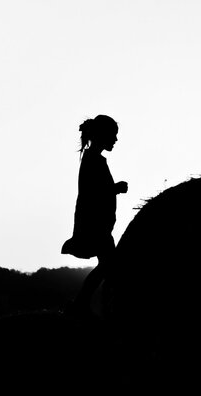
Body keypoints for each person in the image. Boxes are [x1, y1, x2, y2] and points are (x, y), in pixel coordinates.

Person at [62, 114, 128, 316]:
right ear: (103, 135)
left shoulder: (93, 158)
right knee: (109, 265)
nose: (116, 140)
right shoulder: (93, 160)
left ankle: (87, 304)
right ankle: (82, 304)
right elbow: (93, 192)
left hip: (99, 224)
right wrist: (115, 188)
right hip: (95, 224)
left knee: (108, 266)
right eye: (113, 135)